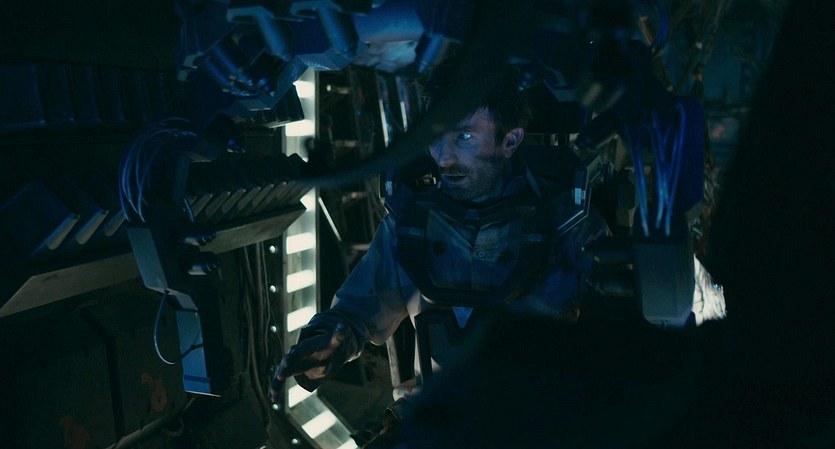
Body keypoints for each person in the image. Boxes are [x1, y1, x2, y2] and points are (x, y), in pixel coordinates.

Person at [269, 71, 609, 425]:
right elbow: (357, 311)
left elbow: (612, 341)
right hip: (433, 422)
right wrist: (328, 342)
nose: (444, 157)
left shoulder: (569, 224)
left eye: (464, 136)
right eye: (435, 136)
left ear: (509, 141)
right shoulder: (412, 224)